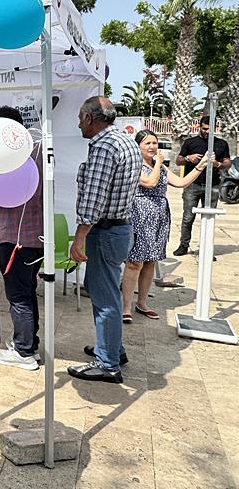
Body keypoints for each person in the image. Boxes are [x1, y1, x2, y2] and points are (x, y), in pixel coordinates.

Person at [68, 97, 142, 384]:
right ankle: (112, 348)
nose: (77, 123)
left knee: (105, 296)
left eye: (79, 117)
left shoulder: (103, 146)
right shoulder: (125, 141)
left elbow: (94, 199)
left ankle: (108, 363)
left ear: (89, 117)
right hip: (119, 228)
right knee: (105, 289)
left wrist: (80, 237)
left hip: (106, 230)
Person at [122, 130, 214, 322]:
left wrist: (201, 166)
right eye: (147, 143)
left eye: (154, 143)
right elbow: (150, 182)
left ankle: (142, 303)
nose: (152, 147)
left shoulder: (160, 167)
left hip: (160, 217)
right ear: (138, 146)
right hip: (140, 215)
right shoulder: (134, 166)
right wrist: (158, 163)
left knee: (151, 261)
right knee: (135, 262)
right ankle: (125, 307)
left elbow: (180, 182)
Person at [0, 106, 43, 371]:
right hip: (35, 237)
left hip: (15, 239)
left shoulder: (14, 159)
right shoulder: (37, 151)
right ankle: (30, 345)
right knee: (27, 293)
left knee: (18, 296)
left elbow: (6, 197)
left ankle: (24, 351)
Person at [172, 116, 232, 256]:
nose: (207, 132)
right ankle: (183, 245)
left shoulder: (221, 144)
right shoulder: (190, 142)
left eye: (210, 130)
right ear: (199, 127)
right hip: (192, 184)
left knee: (209, 218)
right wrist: (189, 158)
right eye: (204, 129)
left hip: (213, 185)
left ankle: (207, 249)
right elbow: (178, 160)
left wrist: (217, 164)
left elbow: (228, 163)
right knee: (188, 217)